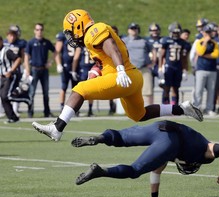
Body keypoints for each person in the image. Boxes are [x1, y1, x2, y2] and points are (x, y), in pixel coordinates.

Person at [32, 9, 203, 142]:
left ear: (78, 25)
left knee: (80, 89)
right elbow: (105, 58)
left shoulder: (94, 30)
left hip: (123, 76)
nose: (70, 36)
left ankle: (57, 127)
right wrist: (96, 70)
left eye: (70, 31)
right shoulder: (91, 37)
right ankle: (181, 109)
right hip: (132, 77)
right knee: (139, 115)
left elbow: (111, 46)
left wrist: (120, 69)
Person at [71, 120, 219, 195]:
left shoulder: (172, 157)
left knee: (120, 137)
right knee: (135, 170)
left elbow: (156, 172)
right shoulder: (204, 154)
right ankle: (102, 171)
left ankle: (100, 138)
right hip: (170, 141)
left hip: (158, 126)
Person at [24, 23, 58, 118]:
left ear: (43, 31)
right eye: (37, 29)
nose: (39, 31)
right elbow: (26, 56)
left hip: (44, 70)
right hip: (34, 69)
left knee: (46, 92)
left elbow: (55, 51)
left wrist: (50, 62)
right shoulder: (31, 42)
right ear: (35, 31)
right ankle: (30, 113)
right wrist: (27, 69)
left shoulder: (46, 42)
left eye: (41, 29)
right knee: (32, 92)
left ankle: (46, 112)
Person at [122, 23, 154, 105]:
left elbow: (153, 51)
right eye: (132, 28)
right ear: (128, 30)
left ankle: (149, 108)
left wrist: (152, 63)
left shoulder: (144, 41)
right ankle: (130, 109)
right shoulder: (124, 40)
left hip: (144, 68)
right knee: (128, 91)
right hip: (130, 69)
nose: (134, 30)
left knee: (147, 90)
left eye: (135, 28)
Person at [158, 22, 190, 105]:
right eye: (174, 32)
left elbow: (184, 58)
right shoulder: (166, 41)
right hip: (169, 67)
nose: (176, 34)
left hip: (178, 67)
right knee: (166, 87)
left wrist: (185, 70)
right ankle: (165, 106)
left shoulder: (183, 42)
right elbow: (161, 55)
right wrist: (160, 67)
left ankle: (174, 106)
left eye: (177, 32)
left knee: (176, 88)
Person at [193, 23, 219, 116]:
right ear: (203, 32)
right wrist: (205, 42)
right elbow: (200, 52)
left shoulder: (214, 43)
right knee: (199, 90)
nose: (208, 34)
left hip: (212, 69)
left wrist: (205, 55)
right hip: (201, 69)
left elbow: (216, 54)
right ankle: (196, 108)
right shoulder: (199, 42)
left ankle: (209, 108)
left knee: (211, 90)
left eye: (209, 32)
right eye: (206, 32)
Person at [55, 31, 79, 112]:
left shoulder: (77, 35)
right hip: (65, 66)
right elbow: (57, 51)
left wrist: (74, 69)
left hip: (75, 67)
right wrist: (58, 64)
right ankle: (62, 106)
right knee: (64, 87)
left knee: (76, 89)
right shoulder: (62, 36)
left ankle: (74, 108)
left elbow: (78, 51)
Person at [0, 36, 22, 123]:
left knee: (5, 96)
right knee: (3, 97)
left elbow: (18, 59)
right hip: (2, 77)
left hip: (9, 77)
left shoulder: (6, 51)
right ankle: (12, 117)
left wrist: (11, 71)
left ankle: (21, 95)